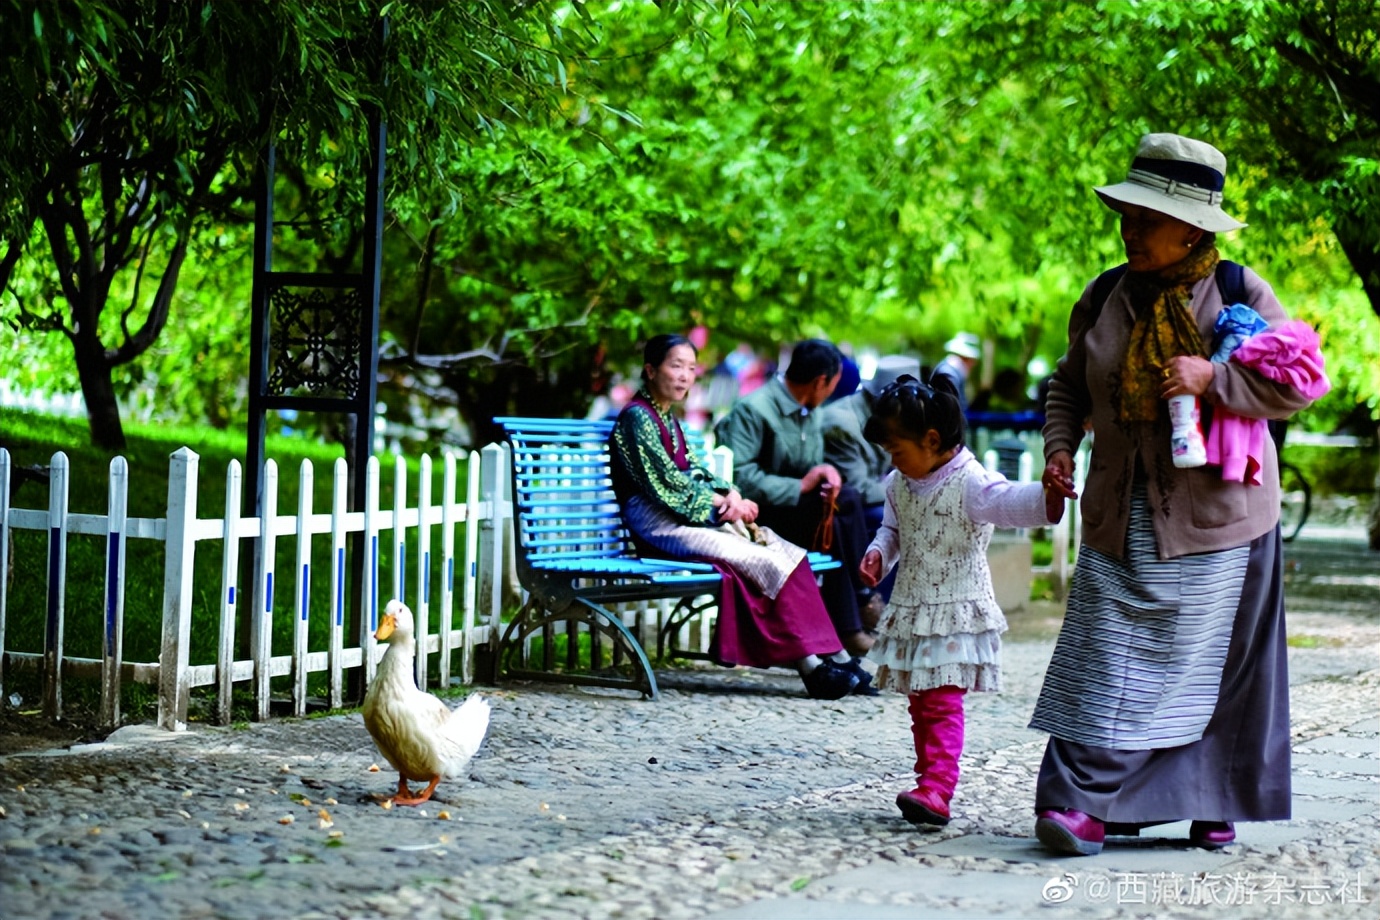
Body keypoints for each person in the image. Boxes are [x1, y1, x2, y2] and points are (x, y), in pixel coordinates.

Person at [1030, 132, 1325, 856]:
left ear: (1192, 227)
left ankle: (1202, 799)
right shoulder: (1104, 294)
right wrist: (1060, 447)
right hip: (1115, 508)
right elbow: (1068, 384)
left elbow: (1298, 385)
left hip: (1219, 518)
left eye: (1147, 219)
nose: (1129, 230)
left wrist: (1212, 380)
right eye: (1126, 215)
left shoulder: (1238, 292)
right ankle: (1085, 801)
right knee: (1103, 656)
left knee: (1209, 669)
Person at [609, 334, 874, 700]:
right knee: (759, 561)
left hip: (689, 517)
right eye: (675, 366)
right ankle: (811, 666)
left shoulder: (669, 419)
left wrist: (729, 492)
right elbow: (666, 486)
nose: (685, 376)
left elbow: (697, 471)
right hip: (661, 525)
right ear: (651, 370)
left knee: (788, 556)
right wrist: (722, 507)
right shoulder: (638, 419)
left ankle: (835, 654)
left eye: (690, 367)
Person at [858, 372, 1063, 826]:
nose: (892, 460)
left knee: (941, 701)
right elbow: (893, 530)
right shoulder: (899, 484)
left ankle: (938, 787)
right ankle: (928, 777)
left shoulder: (969, 482)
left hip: (954, 609)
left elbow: (1008, 501)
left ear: (931, 440)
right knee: (920, 700)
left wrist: (1048, 497)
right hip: (914, 606)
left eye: (897, 449)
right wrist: (878, 553)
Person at [714, 339, 880, 657]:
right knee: (845, 507)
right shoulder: (754, 410)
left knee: (844, 501)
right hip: (759, 516)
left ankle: (849, 624)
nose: (832, 392)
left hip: (798, 515)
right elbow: (738, 478)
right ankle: (856, 614)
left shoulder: (810, 412)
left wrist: (824, 473)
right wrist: (801, 486)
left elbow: (810, 468)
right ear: (821, 381)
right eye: (831, 385)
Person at [821, 354, 922, 617]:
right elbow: (859, 488)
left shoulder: (887, 417)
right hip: (837, 510)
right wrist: (911, 489)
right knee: (895, 520)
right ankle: (876, 607)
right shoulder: (843, 424)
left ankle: (894, 607)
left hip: (862, 503)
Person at [931, 332, 981, 416]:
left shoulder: (953, 372)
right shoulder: (949, 374)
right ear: (965, 357)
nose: (974, 364)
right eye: (972, 360)